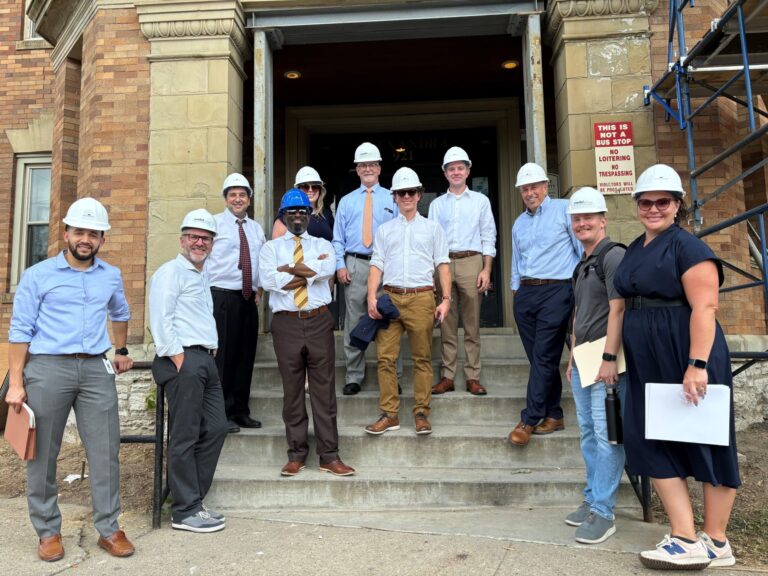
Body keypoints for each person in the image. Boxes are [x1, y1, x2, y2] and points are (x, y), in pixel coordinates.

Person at [613, 164, 740, 570]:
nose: (653, 208)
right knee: (649, 439)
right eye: (646, 201)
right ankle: (685, 534)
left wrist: (697, 365)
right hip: (647, 359)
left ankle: (715, 540)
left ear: (677, 204)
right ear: (636, 205)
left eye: (662, 201)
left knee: (707, 439)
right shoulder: (635, 248)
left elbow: (705, 306)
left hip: (685, 353)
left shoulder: (688, 247)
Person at [6, 197, 135, 561]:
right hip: (47, 368)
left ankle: (109, 529)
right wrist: (17, 383)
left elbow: (120, 312)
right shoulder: (38, 275)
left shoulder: (110, 275)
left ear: (102, 240)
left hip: (96, 368)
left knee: (106, 451)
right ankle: (48, 531)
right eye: (79, 231)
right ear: (66, 233)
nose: (86, 239)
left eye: (94, 234)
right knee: (43, 454)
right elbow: (20, 331)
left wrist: (121, 351)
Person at [260, 189, 355, 477]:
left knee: (324, 391)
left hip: (318, 321)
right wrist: (307, 273)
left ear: (310, 214)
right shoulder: (270, 249)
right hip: (286, 323)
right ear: (283, 216)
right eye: (292, 212)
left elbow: (325, 270)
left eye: (302, 211)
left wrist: (289, 271)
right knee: (292, 392)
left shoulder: (323, 244)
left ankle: (329, 455)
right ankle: (296, 453)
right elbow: (268, 280)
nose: (298, 216)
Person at [150, 209, 229, 533]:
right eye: (194, 237)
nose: (200, 242)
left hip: (203, 360)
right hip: (183, 360)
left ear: (211, 243)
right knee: (185, 435)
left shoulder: (201, 274)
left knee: (217, 427)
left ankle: (193, 500)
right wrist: (177, 356)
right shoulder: (171, 272)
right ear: (182, 239)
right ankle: (184, 510)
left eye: (205, 238)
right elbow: (160, 316)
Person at [364, 167, 451, 436]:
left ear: (419, 194)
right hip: (390, 297)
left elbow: (443, 265)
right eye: (401, 192)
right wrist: (371, 297)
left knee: (422, 358)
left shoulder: (433, 229)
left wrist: (445, 299)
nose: (406, 196)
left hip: (422, 297)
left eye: (411, 192)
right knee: (385, 358)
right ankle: (390, 414)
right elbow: (376, 265)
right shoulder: (385, 230)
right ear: (394, 197)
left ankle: (421, 413)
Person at [564, 187, 627, 544]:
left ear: (603, 220)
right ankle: (591, 500)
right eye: (577, 218)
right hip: (583, 359)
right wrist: (572, 357)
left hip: (606, 360)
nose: (582, 222)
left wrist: (609, 359)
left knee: (607, 437)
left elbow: (618, 309)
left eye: (589, 217)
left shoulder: (613, 256)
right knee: (588, 433)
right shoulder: (583, 262)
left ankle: (604, 512)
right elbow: (579, 316)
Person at [508, 162, 582, 447]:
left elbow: (579, 252)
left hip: (557, 289)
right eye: (524, 188)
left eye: (534, 187)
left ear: (544, 186)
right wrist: (516, 292)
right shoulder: (518, 223)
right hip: (526, 293)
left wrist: (578, 291)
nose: (529, 192)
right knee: (540, 357)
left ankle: (530, 418)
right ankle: (554, 413)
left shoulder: (564, 209)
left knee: (543, 355)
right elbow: (517, 261)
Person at [429, 146, 496, 396]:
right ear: (445, 173)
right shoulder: (436, 204)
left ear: (468, 171)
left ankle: (472, 376)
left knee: (472, 324)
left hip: (472, 261)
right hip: (444, 263)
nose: (456, 172)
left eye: (460, 168)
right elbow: (432, 240)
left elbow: (489, 236)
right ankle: (447, 376)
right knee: (446, 323)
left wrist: (486, 269)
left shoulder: (481, 201)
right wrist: (432, 273)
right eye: (451, 168)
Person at [333, 142, 398, 395]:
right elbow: (337, 238)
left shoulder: (392, 198)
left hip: (386, 265)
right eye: (363, 165)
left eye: (372, 164)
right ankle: (354, 375)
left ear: (379, 168)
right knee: (353, 321)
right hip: (356, 263)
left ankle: (392, 375)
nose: (368, 168)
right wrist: (340, 265)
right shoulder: (347, 202)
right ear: (357, 170)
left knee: (390, 321)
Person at [206, 173, 266, 434]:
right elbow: (204, 260)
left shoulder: (255, 228)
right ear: (226, 199)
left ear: (249, 199)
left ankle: (241, 410)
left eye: (242, 195)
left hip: (247, 299)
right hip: (221, 297)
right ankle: (222, 413)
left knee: (245, 357)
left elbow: (261, 260)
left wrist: (260, 287)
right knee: (224, 359)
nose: (238, 199)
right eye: (233, 195)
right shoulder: (214, 224)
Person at [273, 166, 334, 242]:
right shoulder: (287, 214)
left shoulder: (326, 213)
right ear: (298, 189)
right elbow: (277, 246)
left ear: (320, 190)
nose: (310, 190)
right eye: (305, 186)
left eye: (315, 186)